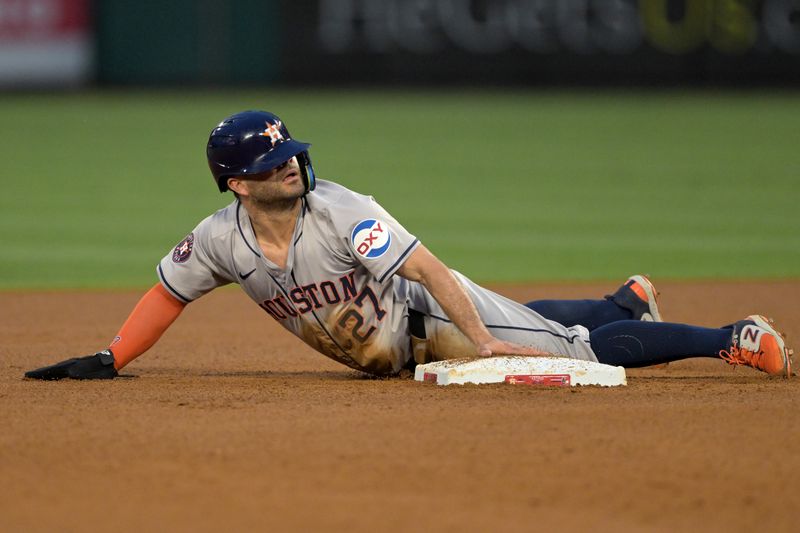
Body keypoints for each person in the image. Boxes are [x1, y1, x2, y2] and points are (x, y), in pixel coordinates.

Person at [24, 110, 793, 381]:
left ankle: (732, 337)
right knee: (543, 322)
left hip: (426, 314)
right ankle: (626, 300)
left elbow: (422, 266)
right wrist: (113, 356)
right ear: (237, 184)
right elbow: (168, 290)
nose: (288, 162)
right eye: (268, 161)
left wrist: (484, 338)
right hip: (395, 347)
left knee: (572, 350)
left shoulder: (340, 210)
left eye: (289, 151)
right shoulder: (222, 241)